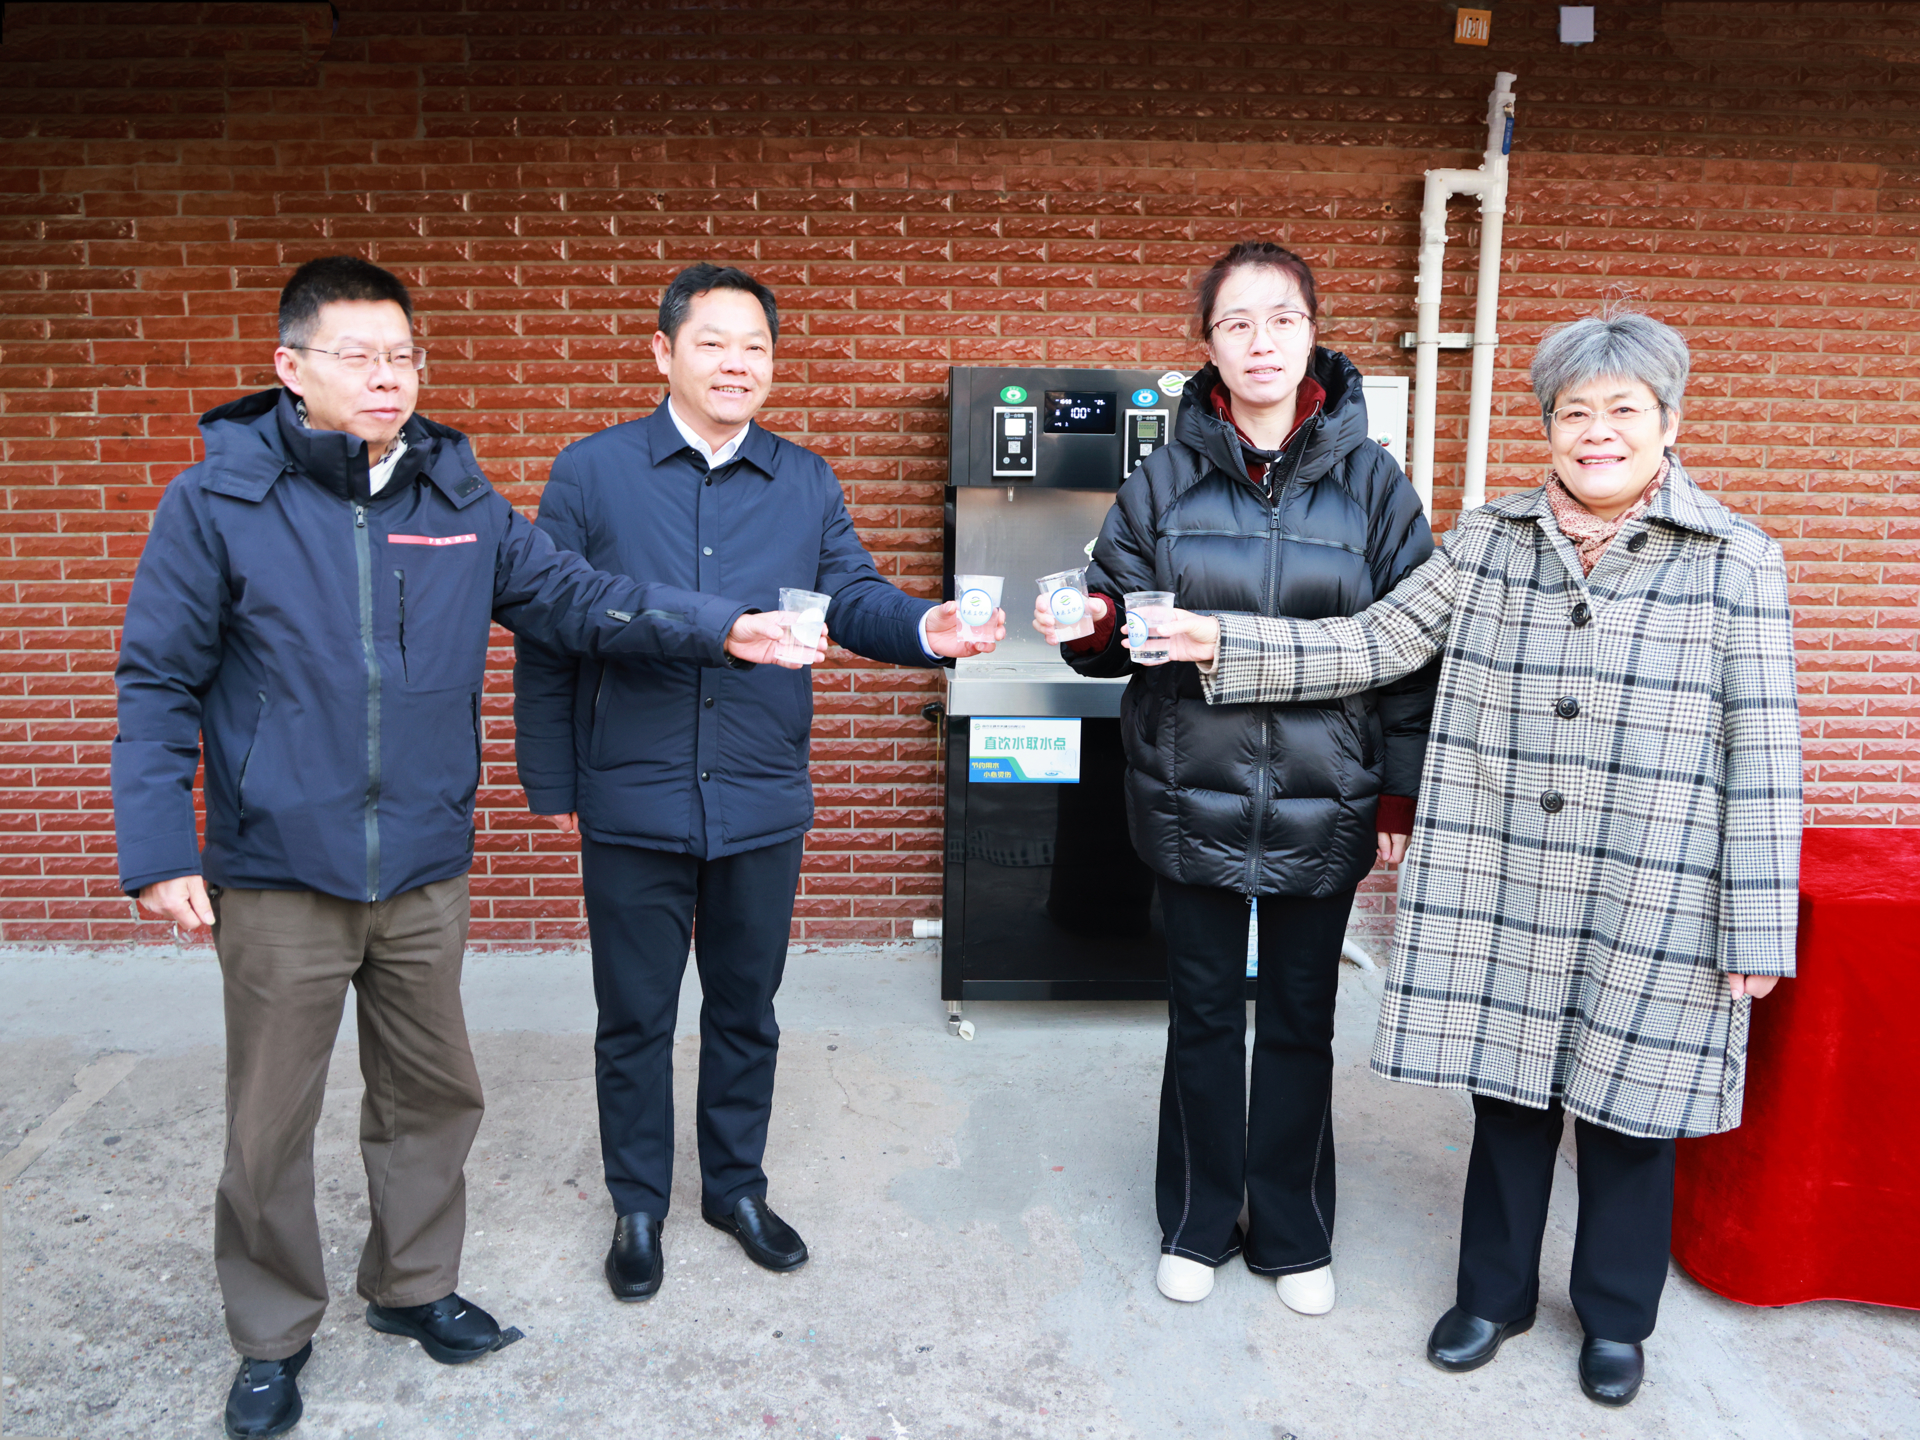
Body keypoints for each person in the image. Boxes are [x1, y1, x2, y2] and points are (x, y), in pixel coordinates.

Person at [111, 256, 801, 1440]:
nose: (388, 378)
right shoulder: (217, 501)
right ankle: (272, 1336)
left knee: (431, 1097)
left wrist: (719, 626)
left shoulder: (456, 497)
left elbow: (574, 598)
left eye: (403, 356)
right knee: (269, 1124)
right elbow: (157, 679)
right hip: (279, 863)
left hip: (423, 858)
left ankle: (413, 1284)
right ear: (291, 368)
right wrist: (159, 848)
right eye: (358, 357)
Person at [1152, 311, 1801, 1407]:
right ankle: (1492, 1296)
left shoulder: (1735, 560)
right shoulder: (1492, 539)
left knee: (1632, 1109)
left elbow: (1767, 752)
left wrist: (1756, 925)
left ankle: (1615, 1317)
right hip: (1510, 873)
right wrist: (1227, 641)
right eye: (1575, 412)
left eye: (1623, 410)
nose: (1597, 432)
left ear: (1669, 422)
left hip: (1656, 879)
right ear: (1549, 426)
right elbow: (1375, 640)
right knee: (1509, 1094)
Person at [512, 262, 1004, 1305]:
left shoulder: (803, 480)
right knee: (634, 1017)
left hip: (759, 792)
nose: (737, 364)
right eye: (713, 342)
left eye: (757, 347)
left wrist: (925, 627)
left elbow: (852, 596)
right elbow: (551, 624)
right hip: (633, 794)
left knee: (747, 1009)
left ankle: (735, 1188)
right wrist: (552, 780)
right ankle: (637, 1204)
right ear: (663, 352)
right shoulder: (592, 474)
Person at [1030, 241, 1437, 1314]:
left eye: (1282, 318)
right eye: (1236, 323)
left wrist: (1398, 791)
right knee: (1203, 1017)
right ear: (1206, 345)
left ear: (1313, 334)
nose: (1261, 342)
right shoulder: (1162, 480)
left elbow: (1412, 652)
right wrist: (1087, 623)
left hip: (1328, 793)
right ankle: (1199, 1220)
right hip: (1188, 785)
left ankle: (1293, 1233)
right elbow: (1114, 624)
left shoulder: (1377, 486)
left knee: (1302, 1019)